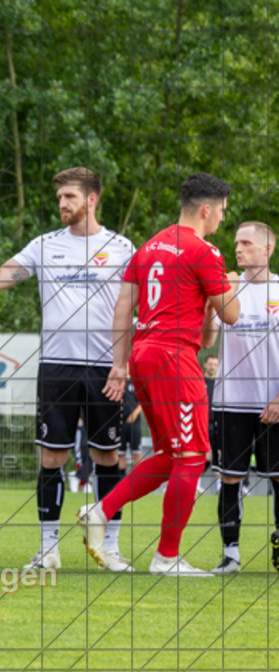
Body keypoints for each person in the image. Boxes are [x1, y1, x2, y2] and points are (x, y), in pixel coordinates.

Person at [0, 167, 135, 571]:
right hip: (56, 367)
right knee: (51, 458)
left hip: (105, 368)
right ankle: (48, 549)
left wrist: (122, 366)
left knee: (108, 459)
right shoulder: (44, 245)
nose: (62, 204)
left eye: (69, 197)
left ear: (91, 199)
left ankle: (110, 547)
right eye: (59, 198)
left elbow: (132, 310)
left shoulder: (124, 247)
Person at [82, 172, 240, 576]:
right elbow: (232, 315)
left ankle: (101, 510)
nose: (221, 220)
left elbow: (124, 306)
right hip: (174, 359)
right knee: (192, 456)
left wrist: (120, 363)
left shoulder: (150, 245)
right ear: (206, 209)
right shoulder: (204, 251)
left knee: (171, 454)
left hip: (143, 354)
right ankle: (166, 557)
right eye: (221, 212)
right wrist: (229, 285)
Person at [201, 221, 279, 574]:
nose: (238, 248)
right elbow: (207, 340)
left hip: (271, 403)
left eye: (246, 243)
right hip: (231, 401)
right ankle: (230, 555)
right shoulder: (227, 288)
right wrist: (213, 301)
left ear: (267, 249)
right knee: (229, 478)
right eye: (236, 242)